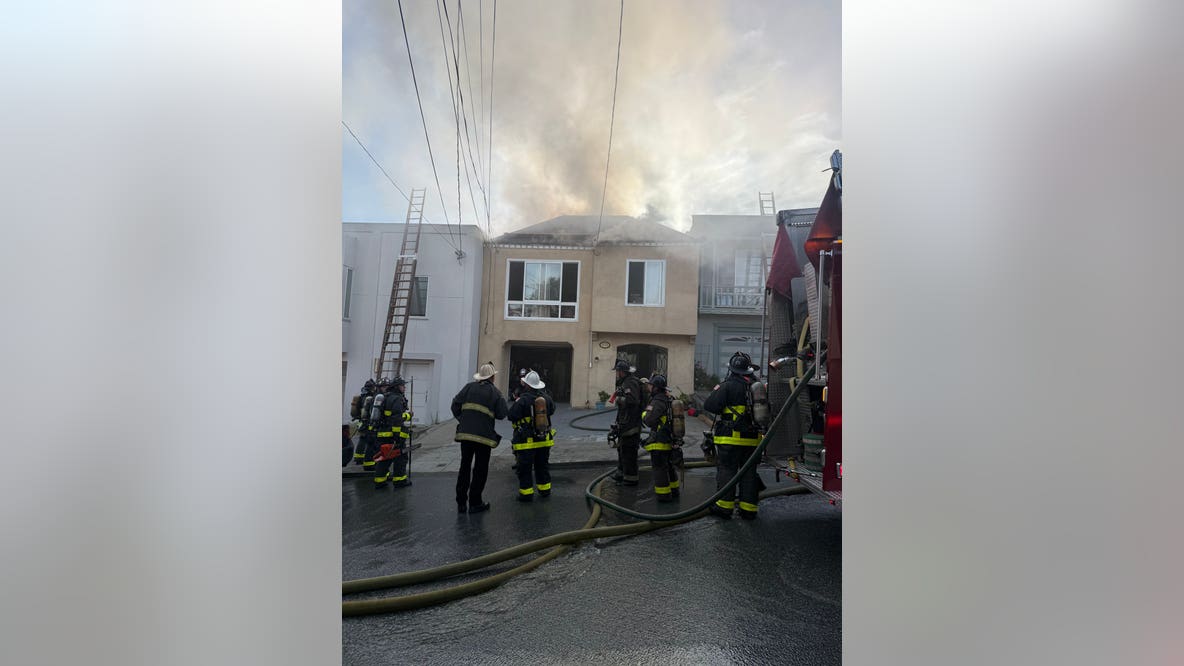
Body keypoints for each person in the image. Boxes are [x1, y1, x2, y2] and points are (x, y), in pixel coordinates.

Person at [703, 352, 764, 520]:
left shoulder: (728, 385)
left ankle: (724, 507)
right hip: (752, 440)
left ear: (731, 369)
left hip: (730, 439)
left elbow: (710, 405)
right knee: (749, 473)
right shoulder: (756, 385)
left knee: (727, 471)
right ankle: (748, 509)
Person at [451, 363, 509, 514]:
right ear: (492, 377)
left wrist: (463, 420)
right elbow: (503, 413)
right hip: (484, 437)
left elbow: (455, 405)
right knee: (480, 469)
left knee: (465, 467)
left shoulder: (468, 387)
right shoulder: (495, 393)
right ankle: (475, 502)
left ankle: (461, 503)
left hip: (465, 436)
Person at [508, 371, 556, 501]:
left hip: (526, 442)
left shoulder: (523, 400)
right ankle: (545, 490)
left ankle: (526, 494)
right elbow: (552, 410)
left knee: (525, 468)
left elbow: (511, 415)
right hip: (544, 439)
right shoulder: (546, 398)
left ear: (527, 385)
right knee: (542, 466)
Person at [641, 374, 681, 502]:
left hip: (659, 441)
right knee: (669, 467)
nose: (649, 387)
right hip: (669, 439)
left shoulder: (657, 401)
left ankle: (663, 496)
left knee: (659, 469)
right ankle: (674, 491)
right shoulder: (669, 399)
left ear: (656, 388)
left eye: (651, 385)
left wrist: (643, 414)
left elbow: (649, 420)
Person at [371, 376, 412, 489]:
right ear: (398, 387)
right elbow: (396, 419)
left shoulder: (385, 397)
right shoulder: (397, 399)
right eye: (403, 385)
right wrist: (396, 437)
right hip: (392, 435)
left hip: (382, 434)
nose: (404, 388)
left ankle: (379, 481)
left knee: (385, 458)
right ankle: (400, 481)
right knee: (401, 458)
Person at [610, 359, 642, 486]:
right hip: (625, 422)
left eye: (617, 371)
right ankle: (621, 473)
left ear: (622, 372)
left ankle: (631, 479)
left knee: (629, 451)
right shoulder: (626, 382)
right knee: (622, 449)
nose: (616, 373)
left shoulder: (630, 383)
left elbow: (633, 400)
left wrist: (619, 399)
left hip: (631, 424)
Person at [351, 379, 377, 466]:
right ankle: (362, 458)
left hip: (361, 422)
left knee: (362, 439)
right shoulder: (369, 397)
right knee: (366, 440)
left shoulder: (362, 396)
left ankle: (358, 457)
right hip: (367, 422)